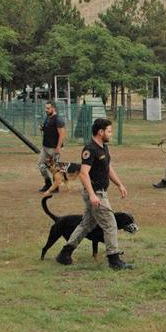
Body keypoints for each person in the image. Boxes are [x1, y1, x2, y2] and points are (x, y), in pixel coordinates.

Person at [56, 118, 132, 270]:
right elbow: (84, 174)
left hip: (100, 193)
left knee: (86, 224)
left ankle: (64, 254)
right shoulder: (90, 149)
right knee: (110, 224)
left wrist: (119, 184)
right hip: (96, 194)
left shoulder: (103, 147)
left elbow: (108, 168)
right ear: (100, 132)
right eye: (109, 131)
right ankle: (114, 259)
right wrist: (92, 195)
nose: (111, 134)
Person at [37, 101, 66, 192]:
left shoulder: (58, 119)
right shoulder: (48, 117)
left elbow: (62, 134)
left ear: (53, 108)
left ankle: (55, 187)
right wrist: (42, 128)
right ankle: (48, 184)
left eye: (48, 108)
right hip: (45, 148)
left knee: (55, 168)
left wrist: (58, 147)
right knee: (41, 165)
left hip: (54, 148)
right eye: (46, 108)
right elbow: (47, 128)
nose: (46, 110)